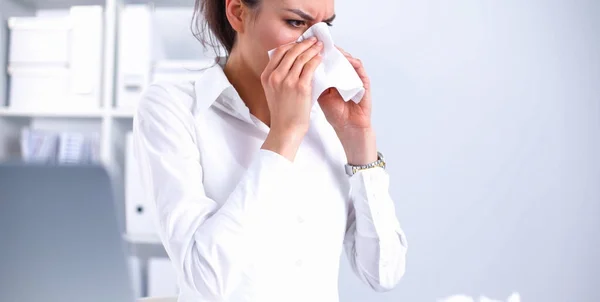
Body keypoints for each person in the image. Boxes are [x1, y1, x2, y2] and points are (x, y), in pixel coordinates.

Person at [132, 0, 408, 301]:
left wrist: (360, 141)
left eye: (325, 26)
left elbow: (383, 274)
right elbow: (205, 281)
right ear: (238, 12)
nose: (319, 45)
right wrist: (284, 136)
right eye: (296, 22)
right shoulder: (174, 108)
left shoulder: (327, 119)